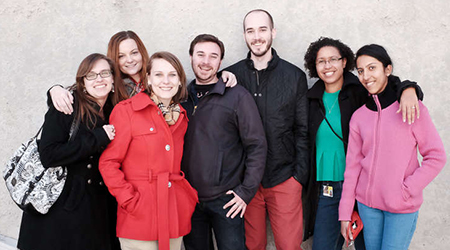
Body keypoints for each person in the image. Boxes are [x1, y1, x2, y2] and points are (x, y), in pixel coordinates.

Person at [303, 37, 423, 250]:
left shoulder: (360, 91)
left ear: (344, 62)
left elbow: (389, 87)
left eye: (333, 59)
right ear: (314, 66)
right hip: (327, 188)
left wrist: (410, 88)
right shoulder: (311, 100)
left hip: (364, 188)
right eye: (321, 61)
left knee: (366, 246)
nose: (327, 65)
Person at [339, 44, 446, 250]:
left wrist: (407, 189)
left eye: (372, 68)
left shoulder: (410, 107)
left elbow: (436, 156)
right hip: (368, 207)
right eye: (360, 71)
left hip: (401, 207)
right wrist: (345, 213)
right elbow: (352, 167)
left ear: (387, 69)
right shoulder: (359, 117)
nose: (366, 76)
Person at [17, 53, 126, 250]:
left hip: (97, 208)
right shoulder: (67, 106)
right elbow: (49, 155)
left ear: (112, 78)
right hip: (61, 209)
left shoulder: (116, 110)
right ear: (83, 83)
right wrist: (97, 137)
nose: (99, 79)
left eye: (104, 73)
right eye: (91, 75)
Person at [224, 9, 308, 250]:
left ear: (273, 32)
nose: (257, 36)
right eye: (250, 31)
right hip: (245, 181)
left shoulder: (294, 76)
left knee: (289, 246)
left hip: (284, 178)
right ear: (244, 35)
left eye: (262, 29)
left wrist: (298, 177)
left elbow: (302, 130)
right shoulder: (232, 76)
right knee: (253, 246)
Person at [99, 51, 198, 250]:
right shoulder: (127, 110)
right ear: (149, 80)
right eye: (159, 75)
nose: (166, 81)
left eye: (172, 75)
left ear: (180, 81)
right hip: (139, 217)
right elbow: (108, 163)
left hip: (173, 214)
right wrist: (129, 200)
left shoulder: (181, 117)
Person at [181, 34, 267, 250]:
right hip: (189, 198)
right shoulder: (180, 97)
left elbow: (256, 145)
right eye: (200, 55)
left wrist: (245, 192)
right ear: (191, 57)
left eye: (213, 56)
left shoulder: (237, 96)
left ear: (220, 62)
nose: (206, 62)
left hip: (226, 199)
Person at [49, 31, 237, 115]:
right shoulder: (111, 85)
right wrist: (55, 89)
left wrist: (222, 77)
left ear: (142, 52)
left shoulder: (159, 76)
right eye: (121, 56)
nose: (129, 60)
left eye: (134, 53)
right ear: (114, 59)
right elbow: (82, 93)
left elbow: (189, 92)